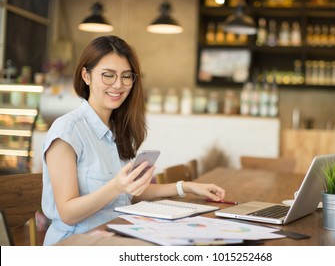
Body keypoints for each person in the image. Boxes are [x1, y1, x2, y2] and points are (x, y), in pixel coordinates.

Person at [41, 35, 225, 245]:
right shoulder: (67, 130)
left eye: (126, 76)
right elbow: (67, 213)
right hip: (76, 243)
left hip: (119, 235)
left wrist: (186, 187)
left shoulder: (118, 129)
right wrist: (116, 187)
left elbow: (129, 193)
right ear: (86, 75)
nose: (118, 85)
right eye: (108, 75)